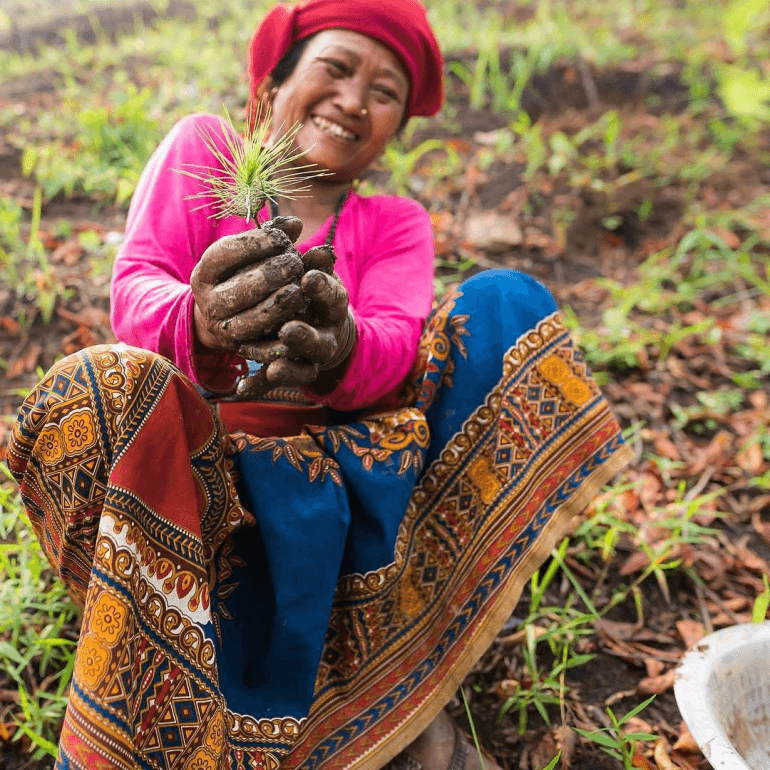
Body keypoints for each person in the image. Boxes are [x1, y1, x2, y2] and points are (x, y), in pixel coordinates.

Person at [6, 1, 634, 768]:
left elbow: (397, 344)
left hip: (339, 489)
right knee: (99, 385)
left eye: (383, 92)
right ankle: (166, 668)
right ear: (275, 83)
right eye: (336, 68)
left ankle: (393, 668)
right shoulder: (204, 147)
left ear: (394, 130)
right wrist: (199, 325)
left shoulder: (395, 224)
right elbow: (139, 285)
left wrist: (341, 351)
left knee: (504, 303)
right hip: (191, 485)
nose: (352, 99)